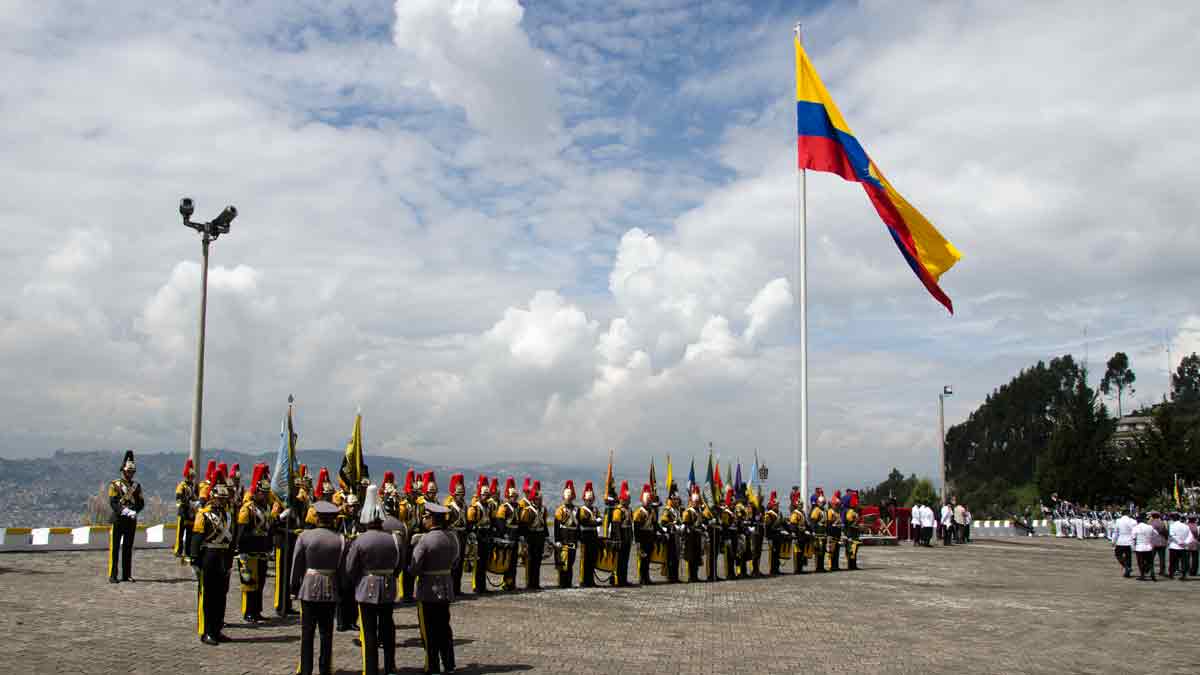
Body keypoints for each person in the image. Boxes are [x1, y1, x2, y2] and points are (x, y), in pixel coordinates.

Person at [345, 484, 401, 675]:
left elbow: (350, 567)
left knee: (369, 633)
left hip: (366, 587)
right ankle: (390, 667)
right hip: (387, 586)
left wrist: (357, 581)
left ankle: (370, 669)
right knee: (388, 629)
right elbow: (398, 563)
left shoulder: (360, 540)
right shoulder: (392, 539)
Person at [291, 500, 345, 675]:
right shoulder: (340, 539)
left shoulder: (305, 536)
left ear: (317, 517)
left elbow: (297, 564)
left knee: (307, 633)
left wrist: (294, 586)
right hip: (330, 587)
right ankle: (324, 670)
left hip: (308, 587)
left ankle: (306, 670)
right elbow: (343, 569)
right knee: (326, 634)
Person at [409, 501, 460, 675]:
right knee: (444, 628)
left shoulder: (424, 540)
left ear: (431, 519)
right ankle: (449, 664)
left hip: (428, 590)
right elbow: (455, 561)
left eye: (425, 517)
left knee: (429, 631)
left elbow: (414, 568)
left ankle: (432, 666)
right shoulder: (452, 537)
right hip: (445, 586)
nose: (423, 519)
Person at [192, 469, 234, 645]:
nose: (223, 501)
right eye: (220, 498)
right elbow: (196, 539)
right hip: (209, 556)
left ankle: (217, 629)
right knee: (208, 596)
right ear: (213, 497)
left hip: (223, 557)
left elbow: (231, 540)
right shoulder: (203, 514)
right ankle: (207, 631)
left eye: (225, 498)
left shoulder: (227, 514)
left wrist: (230, 560)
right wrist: (195, 559)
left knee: (221, 596)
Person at [236, 464, 273, 623]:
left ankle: (257, 610)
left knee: (261, 583)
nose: (264, 496)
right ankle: (248, 612)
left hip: (262, 550)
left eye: (266, 493)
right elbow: (241, 532)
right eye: (262, 493)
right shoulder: (247, 509)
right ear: (255, 492)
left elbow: (269, 529)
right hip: (249, 551)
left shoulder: (266, 507)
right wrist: (241, 550)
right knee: (249, 583)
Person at [107, 450, 144, 583]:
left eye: (132, 472)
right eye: (128, 471)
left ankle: (126, 574)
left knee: (128, 548)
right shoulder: (114, 485)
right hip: (118, 519)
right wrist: (125, 510)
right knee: (115, 548)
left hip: (130, 521)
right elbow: (113, 502)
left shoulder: (136, 486)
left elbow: (141, 503)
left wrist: (134, 511)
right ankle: (113, 575)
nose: (130, 474)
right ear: (123, 471)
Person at [465, 475, 492, 594]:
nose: (486, 497)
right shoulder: (474, 508)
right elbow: (470, 524)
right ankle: (477, 586)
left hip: (486, 535)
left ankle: (483, 586)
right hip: (478, 535)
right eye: (484, 495)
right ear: (480, 495)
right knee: (478, 563)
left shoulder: (489, 506)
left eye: (487, 495)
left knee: (484, 563)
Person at [520, 480, 549, 590]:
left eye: (540, 499)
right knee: (531, 560)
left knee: (538, 560)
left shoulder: (543, 509)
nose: (539, 500)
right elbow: (524, 525)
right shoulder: (527, 510)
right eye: (537, 499)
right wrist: (524, 539)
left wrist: (546, 537)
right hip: (531, 536)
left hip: (540, 536)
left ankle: (536, 583)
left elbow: (544, 524)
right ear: (533, 499)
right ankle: (529, 583)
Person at [444, 473, 468, 594]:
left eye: (462, 494)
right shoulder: (449, 507)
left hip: (462, 535)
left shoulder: (464, 506)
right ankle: (451, 588)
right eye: (459, 494)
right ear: (454, 494)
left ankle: (457, 588)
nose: (461, 496)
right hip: (452, 536)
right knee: (452, 563)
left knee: (460, 562)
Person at [553, 480, 579, 588]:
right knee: (563, 563)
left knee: (571, 562)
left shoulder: (577, 510)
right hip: (563, 539)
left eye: (570, 498)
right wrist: (557, 540)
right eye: (567, 498)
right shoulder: (560, 510)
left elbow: (578, 527)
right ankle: (562, 582)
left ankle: (568, 582)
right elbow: (556, 527)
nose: (568, 500)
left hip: (573, 540)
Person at [632, 483, 657, 585]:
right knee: (643, 559)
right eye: (647, 501)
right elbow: (637, 528)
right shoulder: (639, 512)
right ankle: (642, 578)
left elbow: (655, 525)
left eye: (650, 501)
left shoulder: (652, 511)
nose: (649, 503)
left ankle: (647, 577)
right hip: (642, 538)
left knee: (648, 560)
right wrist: (638, 541)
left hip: (650, 538)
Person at [175, 458, 197, 564]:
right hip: (183, 512)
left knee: (189, 534)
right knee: (180, 533)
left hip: (191, 513)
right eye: (191, 476)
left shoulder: (193, 486)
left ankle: (187, 551)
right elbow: (179, 497)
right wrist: (188, 503)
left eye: (193, 476)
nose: (192, 478)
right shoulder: (181, 485)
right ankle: (178, 550)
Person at [659, 483, 682, 583]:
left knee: (677, 557)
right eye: (675, 499)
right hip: (671, 536)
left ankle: (675, 576)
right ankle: (670, 576)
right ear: (671, 500)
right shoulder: (667, 510)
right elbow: (663, 523)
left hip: (677, 536)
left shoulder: (677, 510)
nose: (677, 501)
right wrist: (672, 525)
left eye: (677, 499)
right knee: (671, 557)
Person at [1167, 513, 1194, 580]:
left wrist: (1179, 542)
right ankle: (1184, 574)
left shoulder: (1172, 525)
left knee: (1172, 561)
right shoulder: (1186, 526)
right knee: (1183, 561)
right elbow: (1191, 536)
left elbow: (1172, 535)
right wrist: (1185, 542)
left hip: (1174, 546)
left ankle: (1171, 574)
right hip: (1183, 547)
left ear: (1173, 519)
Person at [1131, 513, 1157, 581]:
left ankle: (1142, 575)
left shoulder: (1136, 528)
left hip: (1139, 547)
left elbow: (1133, 538)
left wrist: (1133, 547)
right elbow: (1156, 534)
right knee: (1150, 562)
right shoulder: (1150, 527)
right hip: (1148, 546)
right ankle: (1152, 572)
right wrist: (1151, 540)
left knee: (1140, 562)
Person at [1112, 509, 1136, 578]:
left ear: (1122, 514)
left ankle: (1126, 566)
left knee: (1118, 554)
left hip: (1121, 540)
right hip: (1129, 541)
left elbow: (1115, 532)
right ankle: (1127, 570)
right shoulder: (1133, 521)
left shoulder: (1118, 521)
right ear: (1129, 514)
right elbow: (1134, 532)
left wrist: (1113, 541)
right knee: (1128, 557)